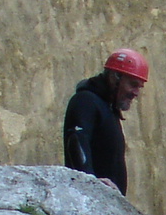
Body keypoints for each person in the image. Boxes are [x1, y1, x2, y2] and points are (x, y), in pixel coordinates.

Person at [62, 49, 148, 194]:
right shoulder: (86, 101)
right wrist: (90, 181)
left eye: (139, 87)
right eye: (133, 84)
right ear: (115, 78)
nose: (136, 93)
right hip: (89, 200)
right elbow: (77, 141)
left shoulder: (108, 108)